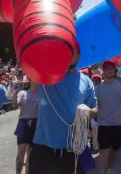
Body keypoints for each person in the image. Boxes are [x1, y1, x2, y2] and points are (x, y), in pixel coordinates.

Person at [29, 46, 98, 174]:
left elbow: (96, 109)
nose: (69, 53)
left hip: (73, 147)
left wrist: (89, 112)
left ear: (79, 56)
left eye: (73, 51)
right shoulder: (47, 74)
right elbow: (33, 85)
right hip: (44, 146)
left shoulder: (87, 81)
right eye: (66, 50)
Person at [95, 60, 121, 174]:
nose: (109, 70)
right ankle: (102, 171)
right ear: (104, 71)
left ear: (115, 70)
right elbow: (94, 104)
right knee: (103, 149)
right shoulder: (98, 88)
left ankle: (110, 166)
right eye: (107, 69)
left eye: (111, 68)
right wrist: (92, 119)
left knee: (114, 149)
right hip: (103, 123)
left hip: (118, 123)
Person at [12, 76, 39, 174]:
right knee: (21, 150)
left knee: (30, 153)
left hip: (36, 123)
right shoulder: (22, 93)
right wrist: (15, 91)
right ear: (30, 80)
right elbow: (14, 104)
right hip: (23, 123)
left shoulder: (42, 95)